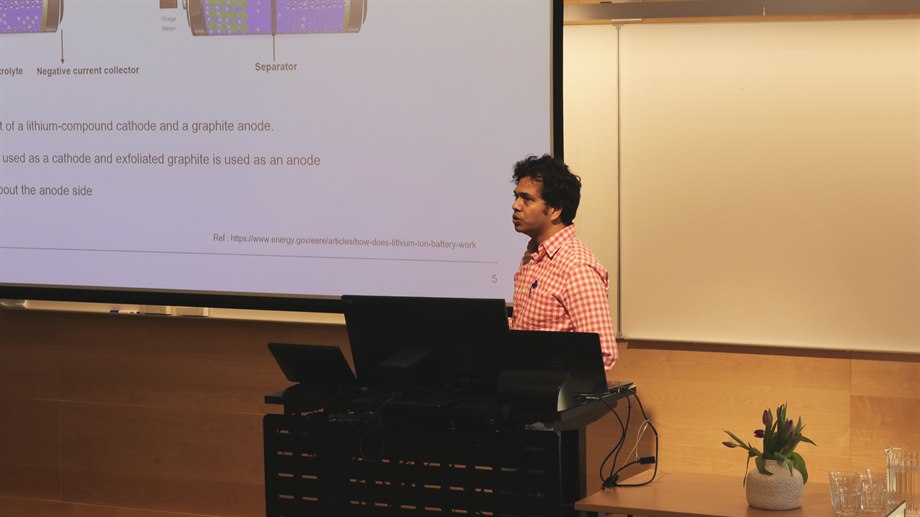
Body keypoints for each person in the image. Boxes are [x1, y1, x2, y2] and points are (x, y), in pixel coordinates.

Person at [510, 154, 617, 369]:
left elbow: (602, 353)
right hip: (522, 381)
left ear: (556, 210)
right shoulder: (532, 256)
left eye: (526, 199)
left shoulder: (577, 267)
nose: (516, 206)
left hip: (551, 387)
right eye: (516, 197)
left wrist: (546, 369)